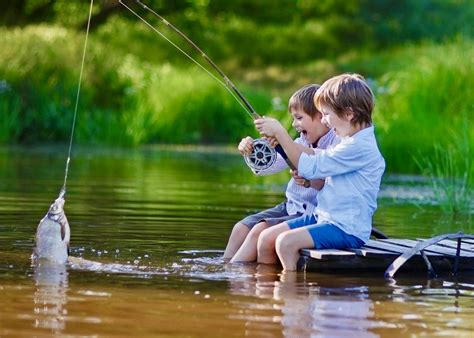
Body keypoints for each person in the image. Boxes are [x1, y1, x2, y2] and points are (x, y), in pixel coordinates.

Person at [254, 73, 385, 271]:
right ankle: (265, 289)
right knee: (266, 238)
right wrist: (283, 143)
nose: (324, 121)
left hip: (345, 228)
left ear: (349, 114)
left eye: (326, 114)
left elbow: (310, 167)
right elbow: (315, 159)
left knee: (285, 243)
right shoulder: (349, 140)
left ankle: (290, 294)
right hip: (324, 217)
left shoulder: (359, 146)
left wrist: (281, 133)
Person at [224, 84, 336, 262]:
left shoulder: (336, 144)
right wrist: (252, 149)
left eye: (299, 118)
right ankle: (224, 267)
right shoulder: (301, 141)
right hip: (290, 207)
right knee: (240, 228)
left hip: (311, 214)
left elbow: (321, 162)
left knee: (258, 232)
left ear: (321, 117)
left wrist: (282, 138)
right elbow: (266, 167)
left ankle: (235, 276)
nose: (294, 124)